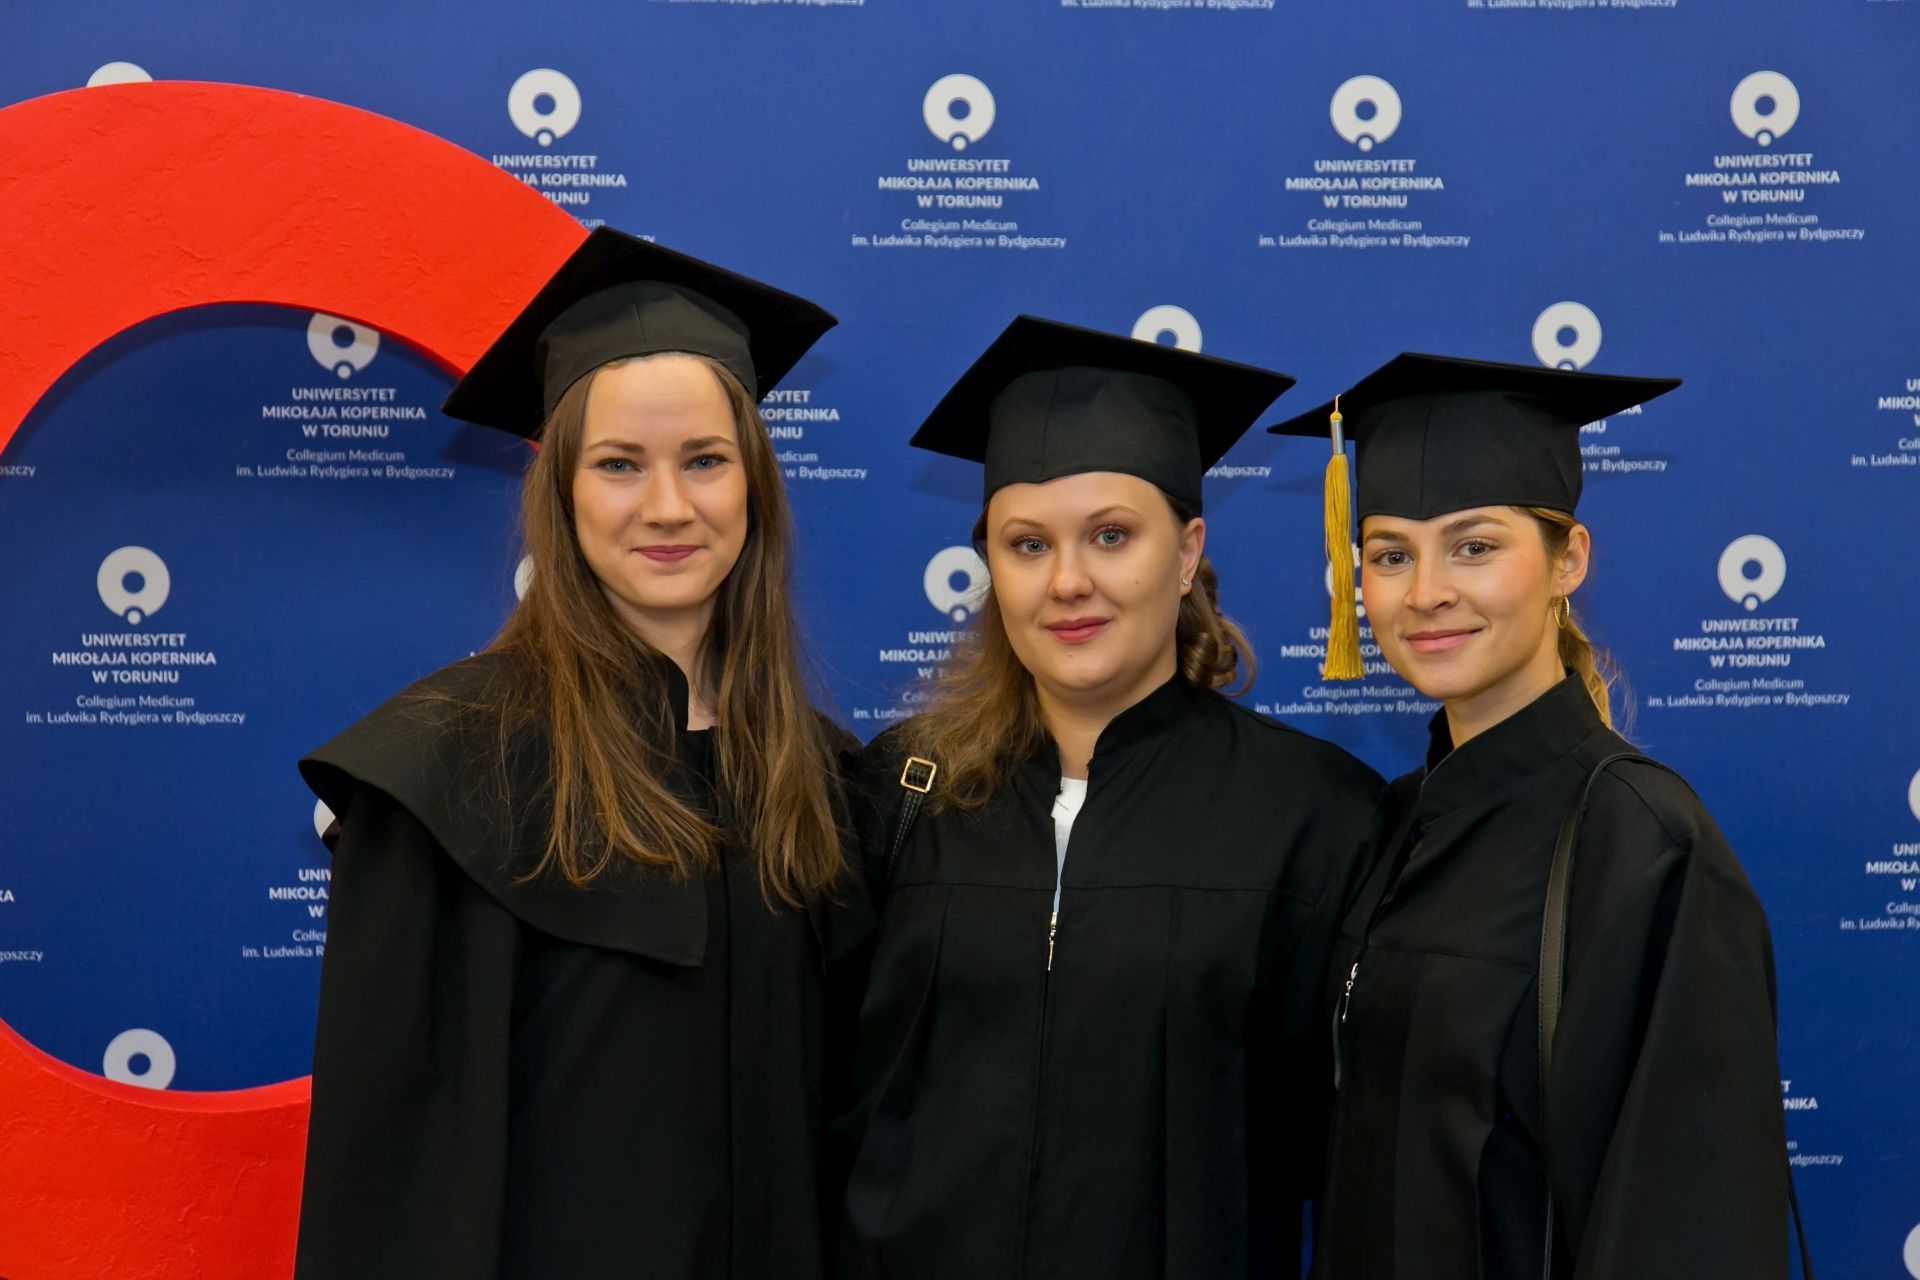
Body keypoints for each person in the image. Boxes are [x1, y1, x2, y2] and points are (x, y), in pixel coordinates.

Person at [295, 229, 864, 1279]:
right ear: (560, 490)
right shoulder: (447, 771)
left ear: (756, 485)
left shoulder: (820, 778)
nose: (667, 506)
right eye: (618, 465)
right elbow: (392, 1186)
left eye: (705, 460)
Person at [835, 316, 1386, 1279]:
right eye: (1027, 544)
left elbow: (1328, 1147)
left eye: (1112, 535)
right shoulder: (902, 792)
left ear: (1187, 551)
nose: (1068, 581)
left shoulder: (1313, 817)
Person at [1269, 353, 1801, 1278]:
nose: (1426, 591)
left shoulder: (1643, 847)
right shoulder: (1392, 829)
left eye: (1474, 547)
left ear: (1568, 561)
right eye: (1391, 554)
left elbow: (1691, 1226)